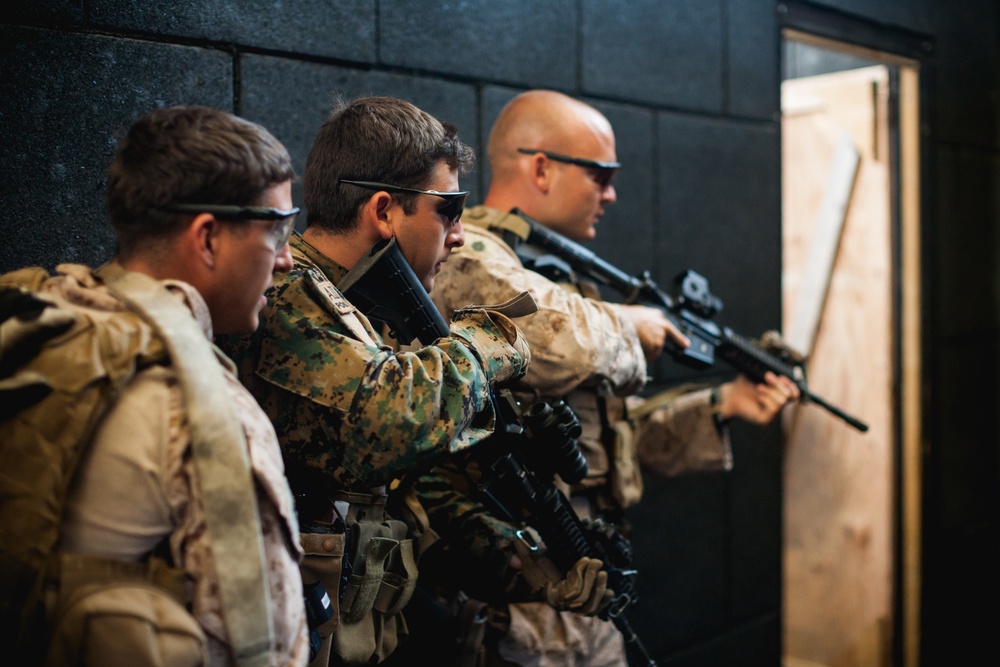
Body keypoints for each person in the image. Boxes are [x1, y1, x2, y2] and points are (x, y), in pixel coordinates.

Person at [409, 89, 802, 667]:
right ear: (541, 167)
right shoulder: (469, 256)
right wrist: (630, 323)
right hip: (516, 592)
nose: (612, 194)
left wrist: (722, 404)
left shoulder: (564, 284)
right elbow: (548, 342)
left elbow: (605, 449)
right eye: (601, 175)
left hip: (584, 578)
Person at [219, 95, 572, 667]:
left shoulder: (353, 308)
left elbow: (381, 476)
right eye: (449, 210)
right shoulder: (284, 299)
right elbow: (389, 420)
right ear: (384, 211)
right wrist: (484, 345)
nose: (458, 234)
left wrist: (488, 542)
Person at [0, 106, 308, 665]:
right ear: (208, 238)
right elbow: (266, 646)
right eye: (278, 229)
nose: (287, 259)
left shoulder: (41, 319)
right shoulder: (201, 408)